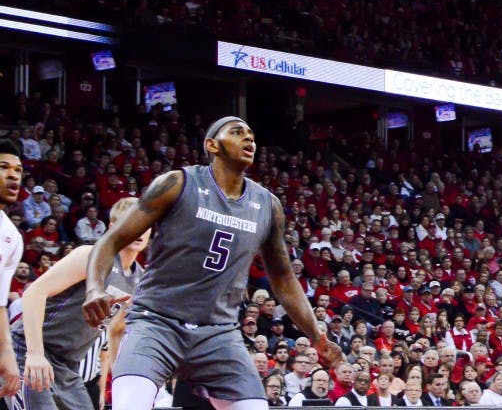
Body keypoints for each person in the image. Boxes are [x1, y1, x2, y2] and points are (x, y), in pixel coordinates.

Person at [82, 116, 342, 409]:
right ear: (212, 145)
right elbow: (110, 240)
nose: (248, 139)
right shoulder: (176, 183)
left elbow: (283, 280)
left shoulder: (267, 205)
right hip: (157, 322)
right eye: (237, 132)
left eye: (251, 135)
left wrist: (317, 336)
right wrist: (94, 289)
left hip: (219, 333)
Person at [10, 197, 147, 410]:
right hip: (30, 349)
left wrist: (121, 380)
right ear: (113, 227)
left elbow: (117, 330)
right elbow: (34, 293)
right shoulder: (91, 255)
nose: (139, 229)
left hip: (68, 364)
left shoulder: (139, 278)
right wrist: (34, 354)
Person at [0, 139, 25, 398]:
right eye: (3, 167)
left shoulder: (11, 236)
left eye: (18, 170)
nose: (13, 175)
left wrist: (7, 352)